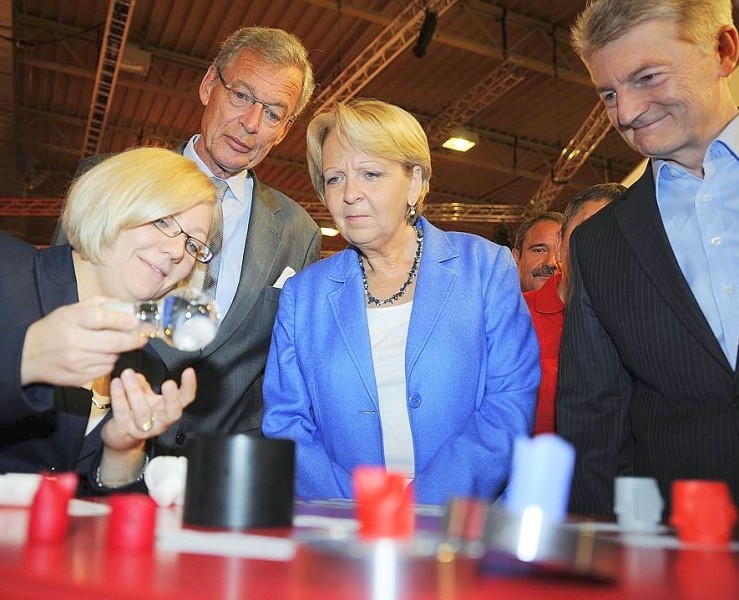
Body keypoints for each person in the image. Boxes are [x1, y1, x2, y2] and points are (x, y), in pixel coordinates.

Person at [558, 0, 739, 591]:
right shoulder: (600, 242)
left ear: (723, 51)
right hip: (695, 557)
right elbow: (593, 420)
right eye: (609, 93)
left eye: (647, 77)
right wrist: (599, 564)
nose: (629, 112)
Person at [54, 27, 321, 455]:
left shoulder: (298, 231)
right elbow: (57, 309)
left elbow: (286, 370)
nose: (251, 124)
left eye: (273, 113)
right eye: (241, 96)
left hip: (219, 473)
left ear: (285, 129)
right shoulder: (110, 179)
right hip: (96, 453)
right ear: (208, 85)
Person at [262, 98, 540, 505]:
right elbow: (286, 423)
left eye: (370, 174)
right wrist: (364, 511)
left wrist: (420, 506)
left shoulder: (484, 268)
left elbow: (509, 404)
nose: (350, 194)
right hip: (345, 523)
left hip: (465, 521)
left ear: (415, 182)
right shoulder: (304, 296)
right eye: (335, 179)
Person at [1, 147, 215, 492]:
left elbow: (106, 503)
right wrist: (22, 359)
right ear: (114, 202)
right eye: (163, 220)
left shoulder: (148, 369)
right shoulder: (7, 270)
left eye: (193, 245)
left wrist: (123, 450)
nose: (177, 252)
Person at [523, 183, 625, 435]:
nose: (599, 246)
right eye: (588, 231)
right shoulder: (515, 315)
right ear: (560, 243)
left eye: (615, 235)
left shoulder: (645, 325)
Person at [511, 212, 564, 292]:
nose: (551, 262)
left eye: (561, 253)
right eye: (539, 250)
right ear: (516, 257)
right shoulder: (490, 302)